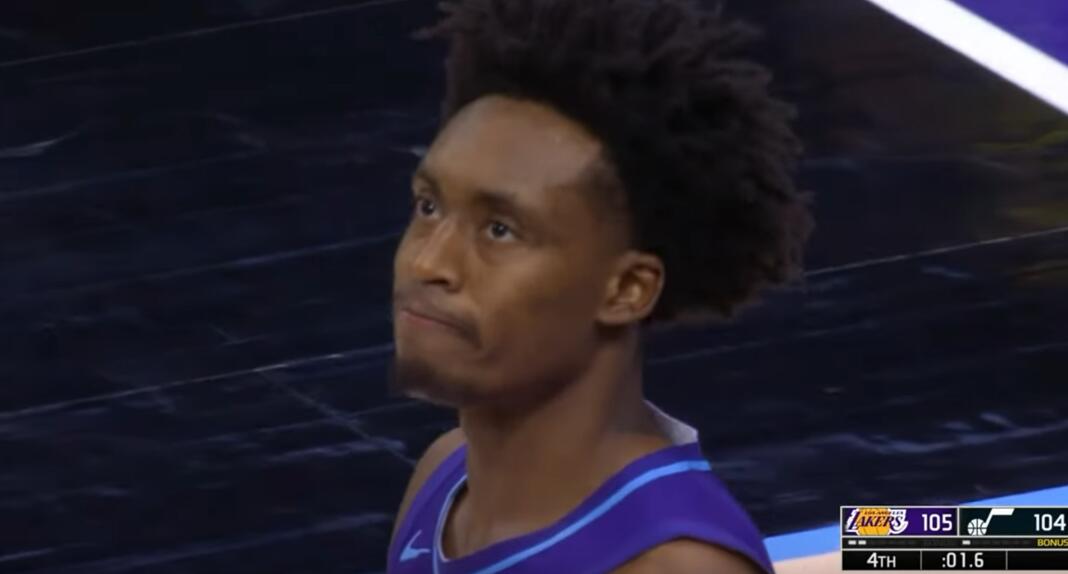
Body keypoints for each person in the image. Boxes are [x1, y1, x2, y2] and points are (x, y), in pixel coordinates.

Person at [385, 0, 814, 571]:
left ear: (626, 289)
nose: (427, 262)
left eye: (500, 230)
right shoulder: (443, 476)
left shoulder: (673, 566)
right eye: (429, 207)